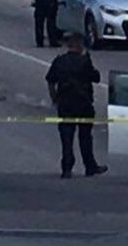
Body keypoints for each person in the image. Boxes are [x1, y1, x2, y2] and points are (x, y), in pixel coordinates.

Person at [45, 32, 108, 179]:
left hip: (65, 105)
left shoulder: (59, 61)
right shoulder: (84, 61)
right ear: (79, 45)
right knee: (85, 137)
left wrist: (55, 98)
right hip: (83, 103)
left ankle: (67, 168)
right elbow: (96, 77)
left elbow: (50, 81)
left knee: (66, 138)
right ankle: (89, 166)